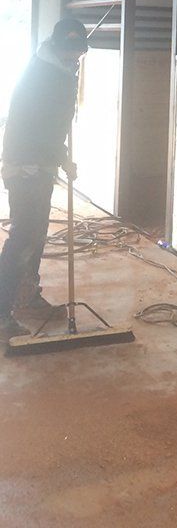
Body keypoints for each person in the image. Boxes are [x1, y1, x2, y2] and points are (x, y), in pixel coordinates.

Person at [0, 18, 88, 341]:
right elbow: (35, 128)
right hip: (25, 166)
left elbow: (53, 127)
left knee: (35, 235)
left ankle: (26, 296)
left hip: (40, 165)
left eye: (78, 55)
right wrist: (60, 156)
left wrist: (62, 158)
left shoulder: (59, 72)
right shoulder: (43, 75)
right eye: (70, 54)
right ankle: (1, 311)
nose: (74, 60)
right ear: (57, 48)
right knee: (23, 238)